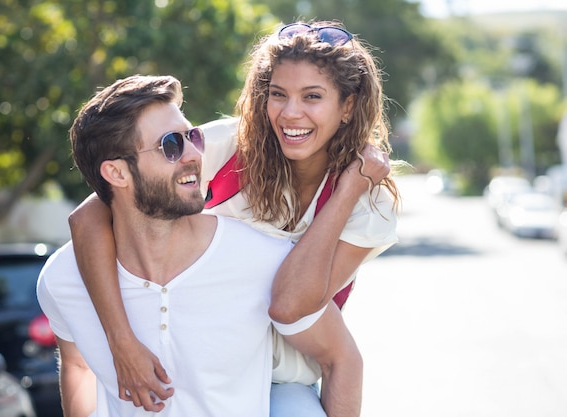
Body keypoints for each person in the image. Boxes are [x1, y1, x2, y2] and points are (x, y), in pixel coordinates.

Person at [68, 20, 402, 416]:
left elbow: (292, 304)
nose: (291, 113)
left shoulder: (371, 198)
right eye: (278, 94)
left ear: (347, 106)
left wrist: (347, 191)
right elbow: (88, 217)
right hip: (200, 363)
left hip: (282, 378)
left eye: (312, 96)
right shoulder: (229, 145)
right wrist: (120, 341)